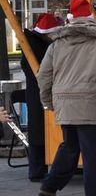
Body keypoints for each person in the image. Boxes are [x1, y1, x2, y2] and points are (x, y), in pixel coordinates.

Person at [36, 0, 96, 196]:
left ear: (70, 19)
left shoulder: (57, 43)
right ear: (92, 17)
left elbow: (44, 75)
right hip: (90, 102)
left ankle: (50, 185)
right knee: (91, 152)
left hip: (64, 102)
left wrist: (47, 100)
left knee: (70, 146)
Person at [21, 13, 61, 182]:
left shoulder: (34, 42)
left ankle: (42, 167)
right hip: (38, 92)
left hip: (39, 90)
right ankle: (37, 169)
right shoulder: (36, 45)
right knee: (38, 130)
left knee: (41, 129)